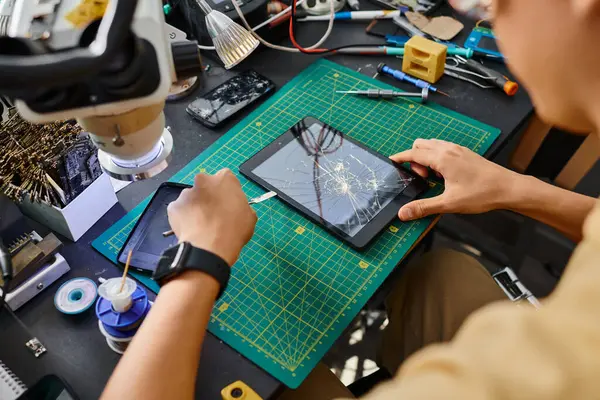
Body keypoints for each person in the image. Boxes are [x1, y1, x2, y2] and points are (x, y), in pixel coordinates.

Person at [100, 0, 600, 398]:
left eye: (495, 5)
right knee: (440, 276)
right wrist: (515, 187)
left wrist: (200, 261)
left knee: (299, 388)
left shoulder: (548, 369)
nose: (482, 15)